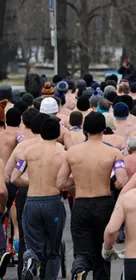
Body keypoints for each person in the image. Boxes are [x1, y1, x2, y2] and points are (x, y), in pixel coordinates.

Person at [56, 112, 128, 280]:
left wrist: (78, 181)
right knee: (103, 252)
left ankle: (80, 268)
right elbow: (122, 180)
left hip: (81, 204)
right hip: (104, 203)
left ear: (85, 129)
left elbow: (60, 183)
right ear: (104, 129)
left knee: (82, 250)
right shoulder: (114, 153)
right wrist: (111, 184)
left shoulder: (72, 153)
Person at [11, 115, 65, 280]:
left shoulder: (28, 152)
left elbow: (14, 178)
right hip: (53, 201)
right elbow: (68, 180)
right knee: (53, 249)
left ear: (40, 132)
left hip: (32, 201)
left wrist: (31, 181)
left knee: (32, 244)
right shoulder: (63, 152)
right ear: (57, 133)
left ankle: (30, 260)